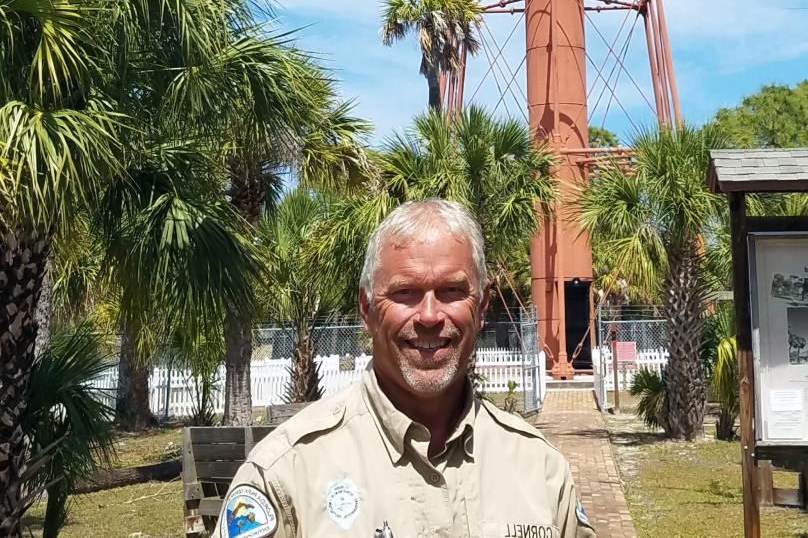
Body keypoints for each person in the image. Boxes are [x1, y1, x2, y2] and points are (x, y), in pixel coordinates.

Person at [217, 199, 596, 537]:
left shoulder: (540, 470)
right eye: (405, 293)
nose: (429, 315)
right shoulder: (287, 474)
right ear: (366, 309)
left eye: (452, 291)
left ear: (481, 309)